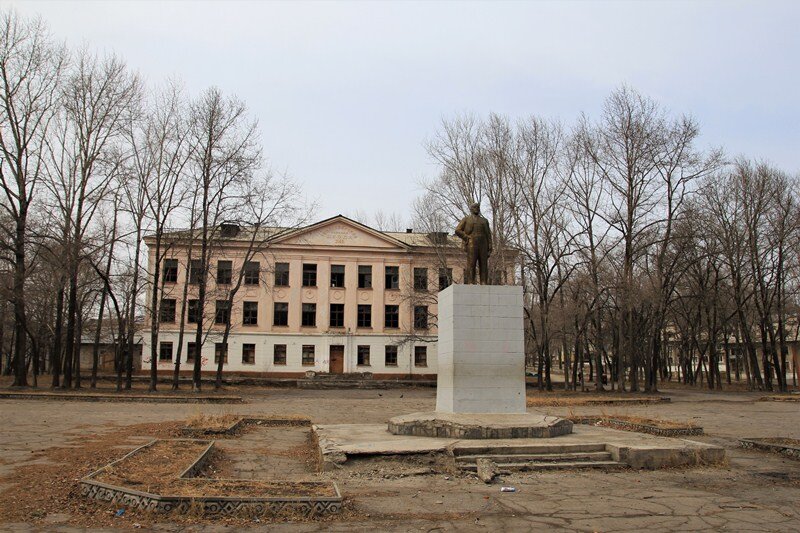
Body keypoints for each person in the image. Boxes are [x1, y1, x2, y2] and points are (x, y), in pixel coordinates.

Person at [455, 202, 492, 284]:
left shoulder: (484, 221)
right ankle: (471, 281)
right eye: (475, 207)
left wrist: (490, 245)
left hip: (483, 243)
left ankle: (483, 281)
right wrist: (465, 237)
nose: (477, 209)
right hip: (471, 242)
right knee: (471, 263)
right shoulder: (466, 219)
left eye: (478, 207)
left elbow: (488, 234)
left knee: (484, 264)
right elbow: (457, 230)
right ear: (471, 209)